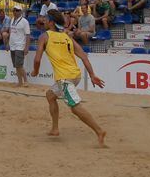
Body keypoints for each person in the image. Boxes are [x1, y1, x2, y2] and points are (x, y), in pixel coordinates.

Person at [30, 11, 107, 147]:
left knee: (74, 107)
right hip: (75, 75)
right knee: (50, 95)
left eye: (47, 19)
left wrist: (35, 71)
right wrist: (92, 75)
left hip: (64, 78)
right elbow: (83, 56)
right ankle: (55, 129)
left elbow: (37, 59)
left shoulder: (44, 36)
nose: (45, 21)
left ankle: (99, 131)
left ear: (52, 22)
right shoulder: (67, 37)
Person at [7, 5, 31, 87]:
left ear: (21, 11)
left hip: (20, 46)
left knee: (19, 65)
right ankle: (20, 82)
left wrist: (26, 47)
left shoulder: (25, 21)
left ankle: (26, 81)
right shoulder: (12, 19)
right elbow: (11, 32)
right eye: (14, 10)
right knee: (16, 66)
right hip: (12, 45)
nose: (15, 12)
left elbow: (28, 35)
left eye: (17, 10)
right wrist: (8, 43)